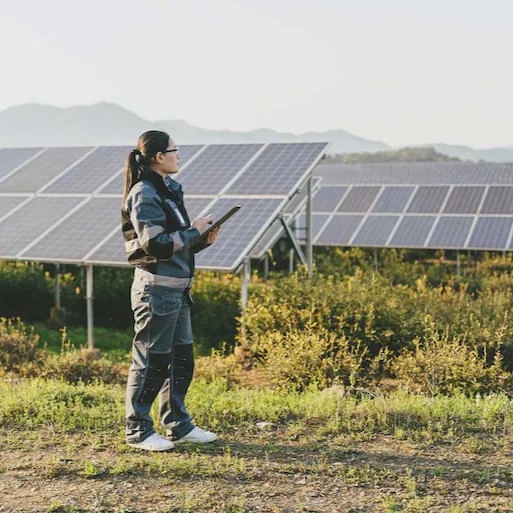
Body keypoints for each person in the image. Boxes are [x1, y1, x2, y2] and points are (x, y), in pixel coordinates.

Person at [121, 130, 219, 451]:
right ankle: (137, 429)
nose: (179, 156)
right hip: (156, 293)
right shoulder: (144, 193)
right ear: (159, 157)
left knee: (180, 359)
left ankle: (177, 424)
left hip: (177, 291)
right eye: (175, 151)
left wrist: (200, 240)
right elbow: (155, 244)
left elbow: (175, 244)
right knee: (150, 361)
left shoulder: (167, 190)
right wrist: (194, 232)